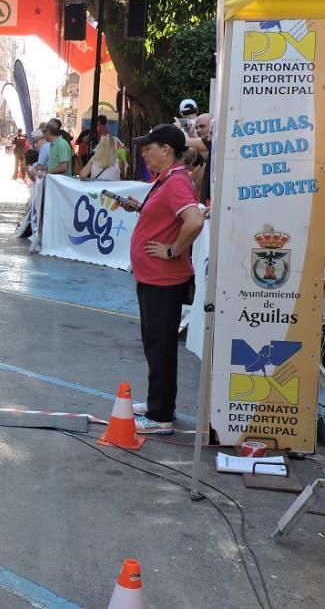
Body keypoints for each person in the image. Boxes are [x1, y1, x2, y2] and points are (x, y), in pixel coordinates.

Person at [121, 124, 204, 435]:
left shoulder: (175, 181)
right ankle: (158, 403)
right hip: (155, 278)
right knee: (156, 344)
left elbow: (193, 220)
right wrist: (141, 209)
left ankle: (160, 415)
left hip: (164, 279)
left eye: (149, 146)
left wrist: (172, 251)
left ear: (166, 149)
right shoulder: (167, 179)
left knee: (160, 345)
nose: (144, 152)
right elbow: (171, 217)